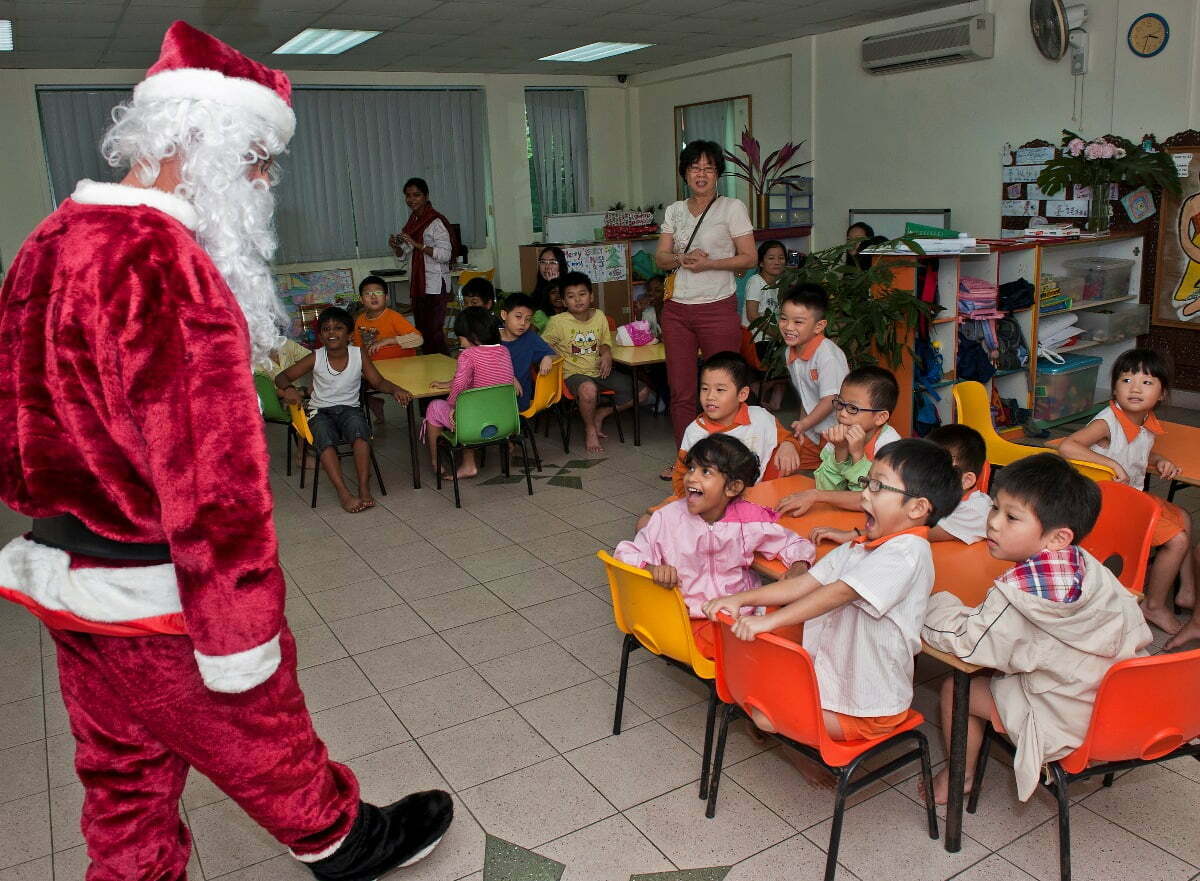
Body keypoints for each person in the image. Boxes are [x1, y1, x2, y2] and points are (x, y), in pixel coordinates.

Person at [0, 21, 451, 881]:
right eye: (255, 158)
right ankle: (340, 838)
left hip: (65, 574)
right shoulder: (169, 268)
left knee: (122, 769)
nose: (264, 181)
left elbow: (15, 417)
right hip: (156, 588)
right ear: (195, 142)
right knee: (261, 736)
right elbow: (214, 487)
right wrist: (244, 636)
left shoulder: (44, 242)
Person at [922, 454, 1152, 804]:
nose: (994, 523)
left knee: (957, 687)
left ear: (1057, 537)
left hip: (1066, 718)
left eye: (1011, 517)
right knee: (1001, 659)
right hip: (1118, 701)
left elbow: (966, 644)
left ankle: (959, 778)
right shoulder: (1087, 563)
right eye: (995, 508)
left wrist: (933, 604)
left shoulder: (1018, 597)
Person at [703, 439, 960, 747]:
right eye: (868, 482)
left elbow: (839, 592)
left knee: (764, 713)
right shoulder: (861, 545)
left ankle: (805, 752)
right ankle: (802, 746)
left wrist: (767, 622)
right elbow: (804, 584)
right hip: (833, 687)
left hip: (870, 709)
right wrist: (740, 599)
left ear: (917, 508)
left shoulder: (908, 553)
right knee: (761, 700)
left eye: (878, 486)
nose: (864, 492)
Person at [616, 434, 814, 657]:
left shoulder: (748, 520)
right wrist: (651, 568)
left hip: (741, 610)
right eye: (691, 468)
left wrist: (799, 565)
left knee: (801, 630)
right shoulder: (668, 518)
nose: (691, 478)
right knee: (764, 654)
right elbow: (625, 552)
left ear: (732, 487)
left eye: (705, 472)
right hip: (693, 617)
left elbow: (792, 542)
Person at [1057, 348, 1196, 643]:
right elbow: (1068, 447)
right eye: (1126, 379)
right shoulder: (1107, 421)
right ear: (1115, 387)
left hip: (1130, 498)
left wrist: (1157, 461)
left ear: (1161, 394)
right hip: (1107, 506)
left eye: (1146, 382)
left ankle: (1186, 591)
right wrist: (1110, 464)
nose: (1134, 387)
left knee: (1182, 515)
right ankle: (1154, 605)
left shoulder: (1145, 421)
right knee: (1178, 538)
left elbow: (1137, 450)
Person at [655, 139, 758, 477]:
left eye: (708, 168)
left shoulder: (732, 208)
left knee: (723, 386)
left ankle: (726, 460)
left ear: (717, 174)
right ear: (685, 173)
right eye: (694, 168)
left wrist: (709, 264)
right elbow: (660, 257)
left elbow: (749, 257)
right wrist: (681, 259)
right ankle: (686, 459)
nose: (701, 174)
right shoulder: (674, 211)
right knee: (682, 390)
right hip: (677, 310)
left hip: (717, 307)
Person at [276, 306, 412, 513]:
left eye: (338, 328)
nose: (331, 333)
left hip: (349, 410)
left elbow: (378, 381)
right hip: (320, 411)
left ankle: (364, 488)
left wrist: (395, 389)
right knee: (324, 437)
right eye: (326, 329)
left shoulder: (359, 355)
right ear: (320, 335)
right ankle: (343, 492)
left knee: (360, 432)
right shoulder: (316, 357)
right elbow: (281, 377)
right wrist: (289, 389)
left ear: (349, 334)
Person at [543, 271, 647, 454]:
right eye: (571, 296)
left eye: (582, 294)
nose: (578, 300)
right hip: (574, 375)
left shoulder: (599, 316)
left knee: (644, 391)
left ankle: (601, 413)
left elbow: (605, 341)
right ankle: (590, 429)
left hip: (601, 371)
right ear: (564, 302)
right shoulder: (557, 322)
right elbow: (541, 345)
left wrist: (606, 354)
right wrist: (548, 357)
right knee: (588, 390)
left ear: (591, 296)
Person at [424, 306, 515, 479]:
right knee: (474, 402)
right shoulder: (504, 351)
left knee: (435, 407)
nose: (459, 340)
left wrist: (452, 406)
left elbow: (459, 385)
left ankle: (438, 463)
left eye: (460, 336)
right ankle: (470, 462)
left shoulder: (468, 355)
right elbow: (489, 379)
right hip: (504, 423)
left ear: (473, 335)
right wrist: (448, 383)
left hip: (474, 426)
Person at [780, 283, 849, 471]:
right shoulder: (790, 352)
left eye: (798, 322)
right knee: (786, 468)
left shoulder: (828, 355)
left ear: (819, 326)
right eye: (784, 319)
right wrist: (803, 427)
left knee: (836, 482)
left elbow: (831, 400)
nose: (788, 327)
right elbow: (805, 395)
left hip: (838, 433)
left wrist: (804, 423)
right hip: (813, 431)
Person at [389, 177, 456, 355]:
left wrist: (418, 245)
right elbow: (404, 256)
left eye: (416, 195)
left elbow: (445, 255)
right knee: (421, 333)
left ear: (426, 196)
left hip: (435, 284)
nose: (412, 200)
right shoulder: (412, 222)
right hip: (418, 285)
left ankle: (446, 369)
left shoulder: (436, 221)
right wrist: (396, 247)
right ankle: (429, 369)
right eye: (408, 196)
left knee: (434, 333)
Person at [925, 424, 992, 544]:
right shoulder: (943, 496)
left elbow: (924, 533)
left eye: (935, 469)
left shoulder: (974, 511)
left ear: (966, 481)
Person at [499, 292, 555, 412]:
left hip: (519, 398)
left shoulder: (530, 338)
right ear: (504, 314)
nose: (523, 323)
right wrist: (508, 377)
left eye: (528, 319)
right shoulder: (491, 338)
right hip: (494, 393)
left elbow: (554, 355)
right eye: (518, 317)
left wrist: (547, 357)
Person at [353, 274, 422, 360]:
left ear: (386, 297)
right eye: (367, 293)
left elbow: (418, 339)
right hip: (375, 365)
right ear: (361, 300)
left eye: (378, 292)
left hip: (402, 364)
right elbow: (357, 347)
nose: (373, 296)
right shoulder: (360, 320)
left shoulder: (394, 317)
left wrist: (389, 341)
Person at [743, 239, 786, 338]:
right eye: (771, 258)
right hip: (756, 341)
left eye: (781, 258)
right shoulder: (756, 281)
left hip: (772, 341)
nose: (777, 262)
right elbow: (752, 316)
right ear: (761, 263)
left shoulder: (780, 284)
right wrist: (778, 335)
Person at [531, 245, 568, 332]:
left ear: (561, 265)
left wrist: (554, 283)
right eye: (543, 262)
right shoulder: (536, 293)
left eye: (552, 262)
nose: (547, 267)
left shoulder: (571, 289)